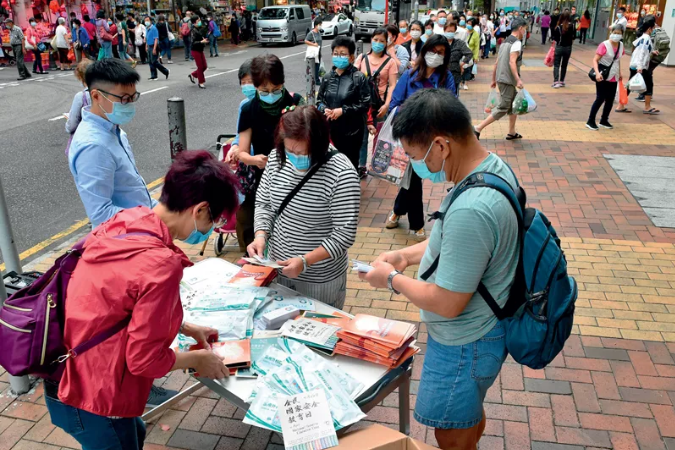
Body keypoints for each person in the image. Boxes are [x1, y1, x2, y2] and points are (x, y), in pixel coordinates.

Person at [45, 150, 239, 450]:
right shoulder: (161, 264)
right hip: (96, 394)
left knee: (135, 431)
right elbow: (144, 361)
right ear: (200, 210)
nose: (211, 229)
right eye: (215, 219)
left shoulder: (128, 220)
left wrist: (185, 327)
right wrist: (198, 359)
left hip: (66, 372)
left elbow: (117, 302)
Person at [361, 89, 517, 450]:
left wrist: (392, 280)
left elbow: (447, 302)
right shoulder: (489, 167)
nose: (415, 165)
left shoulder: (472, 208)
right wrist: (405, 257)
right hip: (482, 329)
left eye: (416, 156)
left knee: (450, 432)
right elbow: (455, 244)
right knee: (465, 417)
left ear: (442, 146)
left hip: (466, 341)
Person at [247, 106, 359, 308]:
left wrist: (305, 261)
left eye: (302, 153)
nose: (295, 157)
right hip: (278, 269)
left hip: (319, 279)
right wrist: (260, 236)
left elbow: (344, 234)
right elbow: (264, 203)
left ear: (320, 144)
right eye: (290, 151)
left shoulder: (341, 173)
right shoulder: (277, 158)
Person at [228, 54, 305, 250]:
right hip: (261, 178)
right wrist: (254, 160)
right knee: (250, 222)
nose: (270, 95)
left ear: (283, 83)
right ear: (256, 87)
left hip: (294, 176)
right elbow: (242, 151)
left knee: (290, 227)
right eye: (264, 91)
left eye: (276, 90)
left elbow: (309, 140)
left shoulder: (296, 102)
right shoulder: (248, 109)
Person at [386, 35, 456, 238]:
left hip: (431, 139)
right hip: (409, 137)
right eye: (432, 51)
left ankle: (398, 210)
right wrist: (415, 113)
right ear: (424, 52)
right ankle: (416, 223)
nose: (435, 55)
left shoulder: (446, 78)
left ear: (445, 56)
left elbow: (451, 106)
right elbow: (394, 105)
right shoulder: (410, 75)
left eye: (440, 52)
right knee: (414, 179)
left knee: (412, 177)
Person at [68, 59, 151, 228]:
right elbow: (101, 214)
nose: (130, 104)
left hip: (142, 227)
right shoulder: (93, 146)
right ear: (96, 96)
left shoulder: (114, 130)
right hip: (128, 235)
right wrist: (154, 220)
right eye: (124, 99)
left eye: (133, 97)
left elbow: (130, 188)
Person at [317, 36, 371, 170]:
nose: (338, 57)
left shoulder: (358, 78)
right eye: (336, 54)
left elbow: (365, 104)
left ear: (351, 57)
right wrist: (324, 109)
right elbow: (320, 100)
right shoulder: (327, 78)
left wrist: (343, 110)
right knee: (330, 165)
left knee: (349, 165)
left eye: (343, 54)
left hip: (352, 132)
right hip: (330, 130)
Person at [355, 27, 398, 177]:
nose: (378, 43)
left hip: (380, 106)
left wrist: (387, 105)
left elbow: (392, 85)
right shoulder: (362, 58)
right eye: (375, 40)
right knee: (362, 138)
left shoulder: (390, 62)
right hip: (363, 106)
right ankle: (361, 166)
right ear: (371, 40)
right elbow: (353, 79)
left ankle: (378, 166)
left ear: (386, 43)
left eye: (382, 41)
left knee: (381, 138)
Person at [474, 17, 527, 140]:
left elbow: (496, 63)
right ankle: (478, 128)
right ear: (520, 28)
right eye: (524, 29)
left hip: (501, 78)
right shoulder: (516, 43)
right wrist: (518, 79)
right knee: (503, 107)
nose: (524, 32)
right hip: (508, 80)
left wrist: (493, 79)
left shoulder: (505, 42)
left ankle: (512, 132)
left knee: (513, 105)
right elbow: (512, 62)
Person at [586, 24, 624, 131]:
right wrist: (597, 73)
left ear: (622, 35)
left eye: (619, 33)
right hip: (602, 75)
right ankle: (590, 121)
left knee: (610, 99)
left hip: (614, 76)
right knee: (600, 98)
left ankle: (604, 120)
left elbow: (617, 60)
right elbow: (595, 60)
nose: (616, 35)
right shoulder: (604, 45)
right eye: (614, 33)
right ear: (611, 33)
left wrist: (620, 72)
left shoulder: (621, 45)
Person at [618, 17, 658, 115]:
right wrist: (640, 67)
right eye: (653, 28)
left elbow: (641, 50)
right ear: (649, 29)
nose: (654, 30)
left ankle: (620, 105)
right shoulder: (646, 38)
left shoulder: (642, 37)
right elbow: (641, 52)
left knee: (630, 85)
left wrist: (652, 52)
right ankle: (647, 107)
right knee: (649, 85)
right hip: (640, 66)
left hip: (635, 64)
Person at [637, 19, 670, 103]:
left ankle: (645, 94)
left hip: (654, 56)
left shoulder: (652, 32)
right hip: (661, 56)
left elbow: (648, 47)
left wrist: (645, 60)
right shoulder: (660, 29)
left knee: (646, 74)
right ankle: (648, 94)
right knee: (649, 73)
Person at [65, 59, 93, 154]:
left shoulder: (81, 97)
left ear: (80, 77)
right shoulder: (106, 92)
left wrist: (67, 123)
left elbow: (71, 125)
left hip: (84, 141)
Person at [444, 21, 473, 94]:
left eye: (452, 31)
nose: (450, 33)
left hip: (455, 73)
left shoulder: (459, 43)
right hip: (442, 72)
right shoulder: (440, 42)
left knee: (453, 94)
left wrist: (462, 64)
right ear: (444, 31)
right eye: (448, 31)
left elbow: (469, 53)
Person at [551, 11, 574, 88]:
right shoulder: (572, 26)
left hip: (559, 47)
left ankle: (556, 81)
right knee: (564, 65)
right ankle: (562, 81)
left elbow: (555, 38)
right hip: (568, 48)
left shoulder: (558, 27)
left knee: (556, 65)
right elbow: (573, 37)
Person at [145, 16, 170, 81]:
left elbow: (156, 39)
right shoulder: (147, 28)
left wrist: (154, 48)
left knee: (154, 61)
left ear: (151, 21)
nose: (146, 22)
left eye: (147, 20)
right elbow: (147, 38)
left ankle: (165, 71)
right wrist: (146, 46)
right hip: (149, 46)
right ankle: (153, 75)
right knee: (150, 62)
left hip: (154, 46)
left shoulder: (154, 28)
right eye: (145, 20)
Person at [187, 15, 209, 89]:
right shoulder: (193, 30)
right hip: (195, 50)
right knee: (200, 67)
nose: (200, 21)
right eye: (198, 20)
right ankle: (201, 82)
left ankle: (193, 75)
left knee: (204, 66)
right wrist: (201, 42)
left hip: (200, 49)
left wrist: (204, 40)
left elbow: (203, 34)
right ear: (194, 22)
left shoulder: (199, 28)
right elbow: (193, 42)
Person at [460, 18, 480, 90]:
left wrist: (476, 57)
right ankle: (460, 82)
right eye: (468, 23)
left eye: (470, 24)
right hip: (461, 53)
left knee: (468, 69)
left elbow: (476, 46)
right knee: (461, 68)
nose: (468, 25)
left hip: (469, 54)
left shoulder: (475, 34)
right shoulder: (463, 31)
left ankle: (466, 83)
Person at [305, 17, 323, 82]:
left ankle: (315, 79)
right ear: (316, 25)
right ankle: (316, 80)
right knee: (315, 66)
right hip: (314, 52)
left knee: (318, 66)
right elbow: (306, 41)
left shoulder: (318, 32)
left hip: (318, 52)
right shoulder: (311, 33)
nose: (321, 26)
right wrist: (313, 44)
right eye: (320, 25)